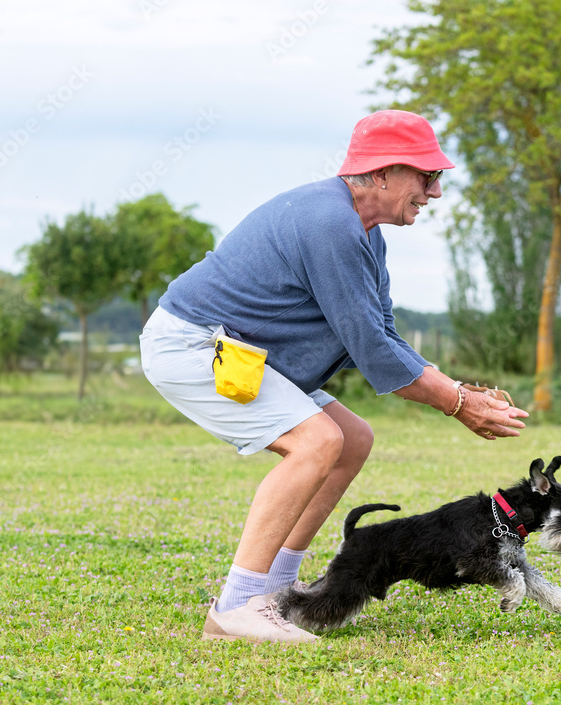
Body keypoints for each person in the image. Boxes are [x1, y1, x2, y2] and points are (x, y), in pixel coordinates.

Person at [139, 110, 529, 645]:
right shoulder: (331, 224)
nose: (435, 192)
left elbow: (380, 330)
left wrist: (457, 389)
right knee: (317, 440)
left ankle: (275, 591)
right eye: (426, 176)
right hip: (193, 345)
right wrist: (456, 402)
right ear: (383, 172)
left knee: (352, 441)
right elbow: (369, 346)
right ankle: (236, 608)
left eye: (438, 178)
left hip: (240, 353)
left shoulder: (367, 235)